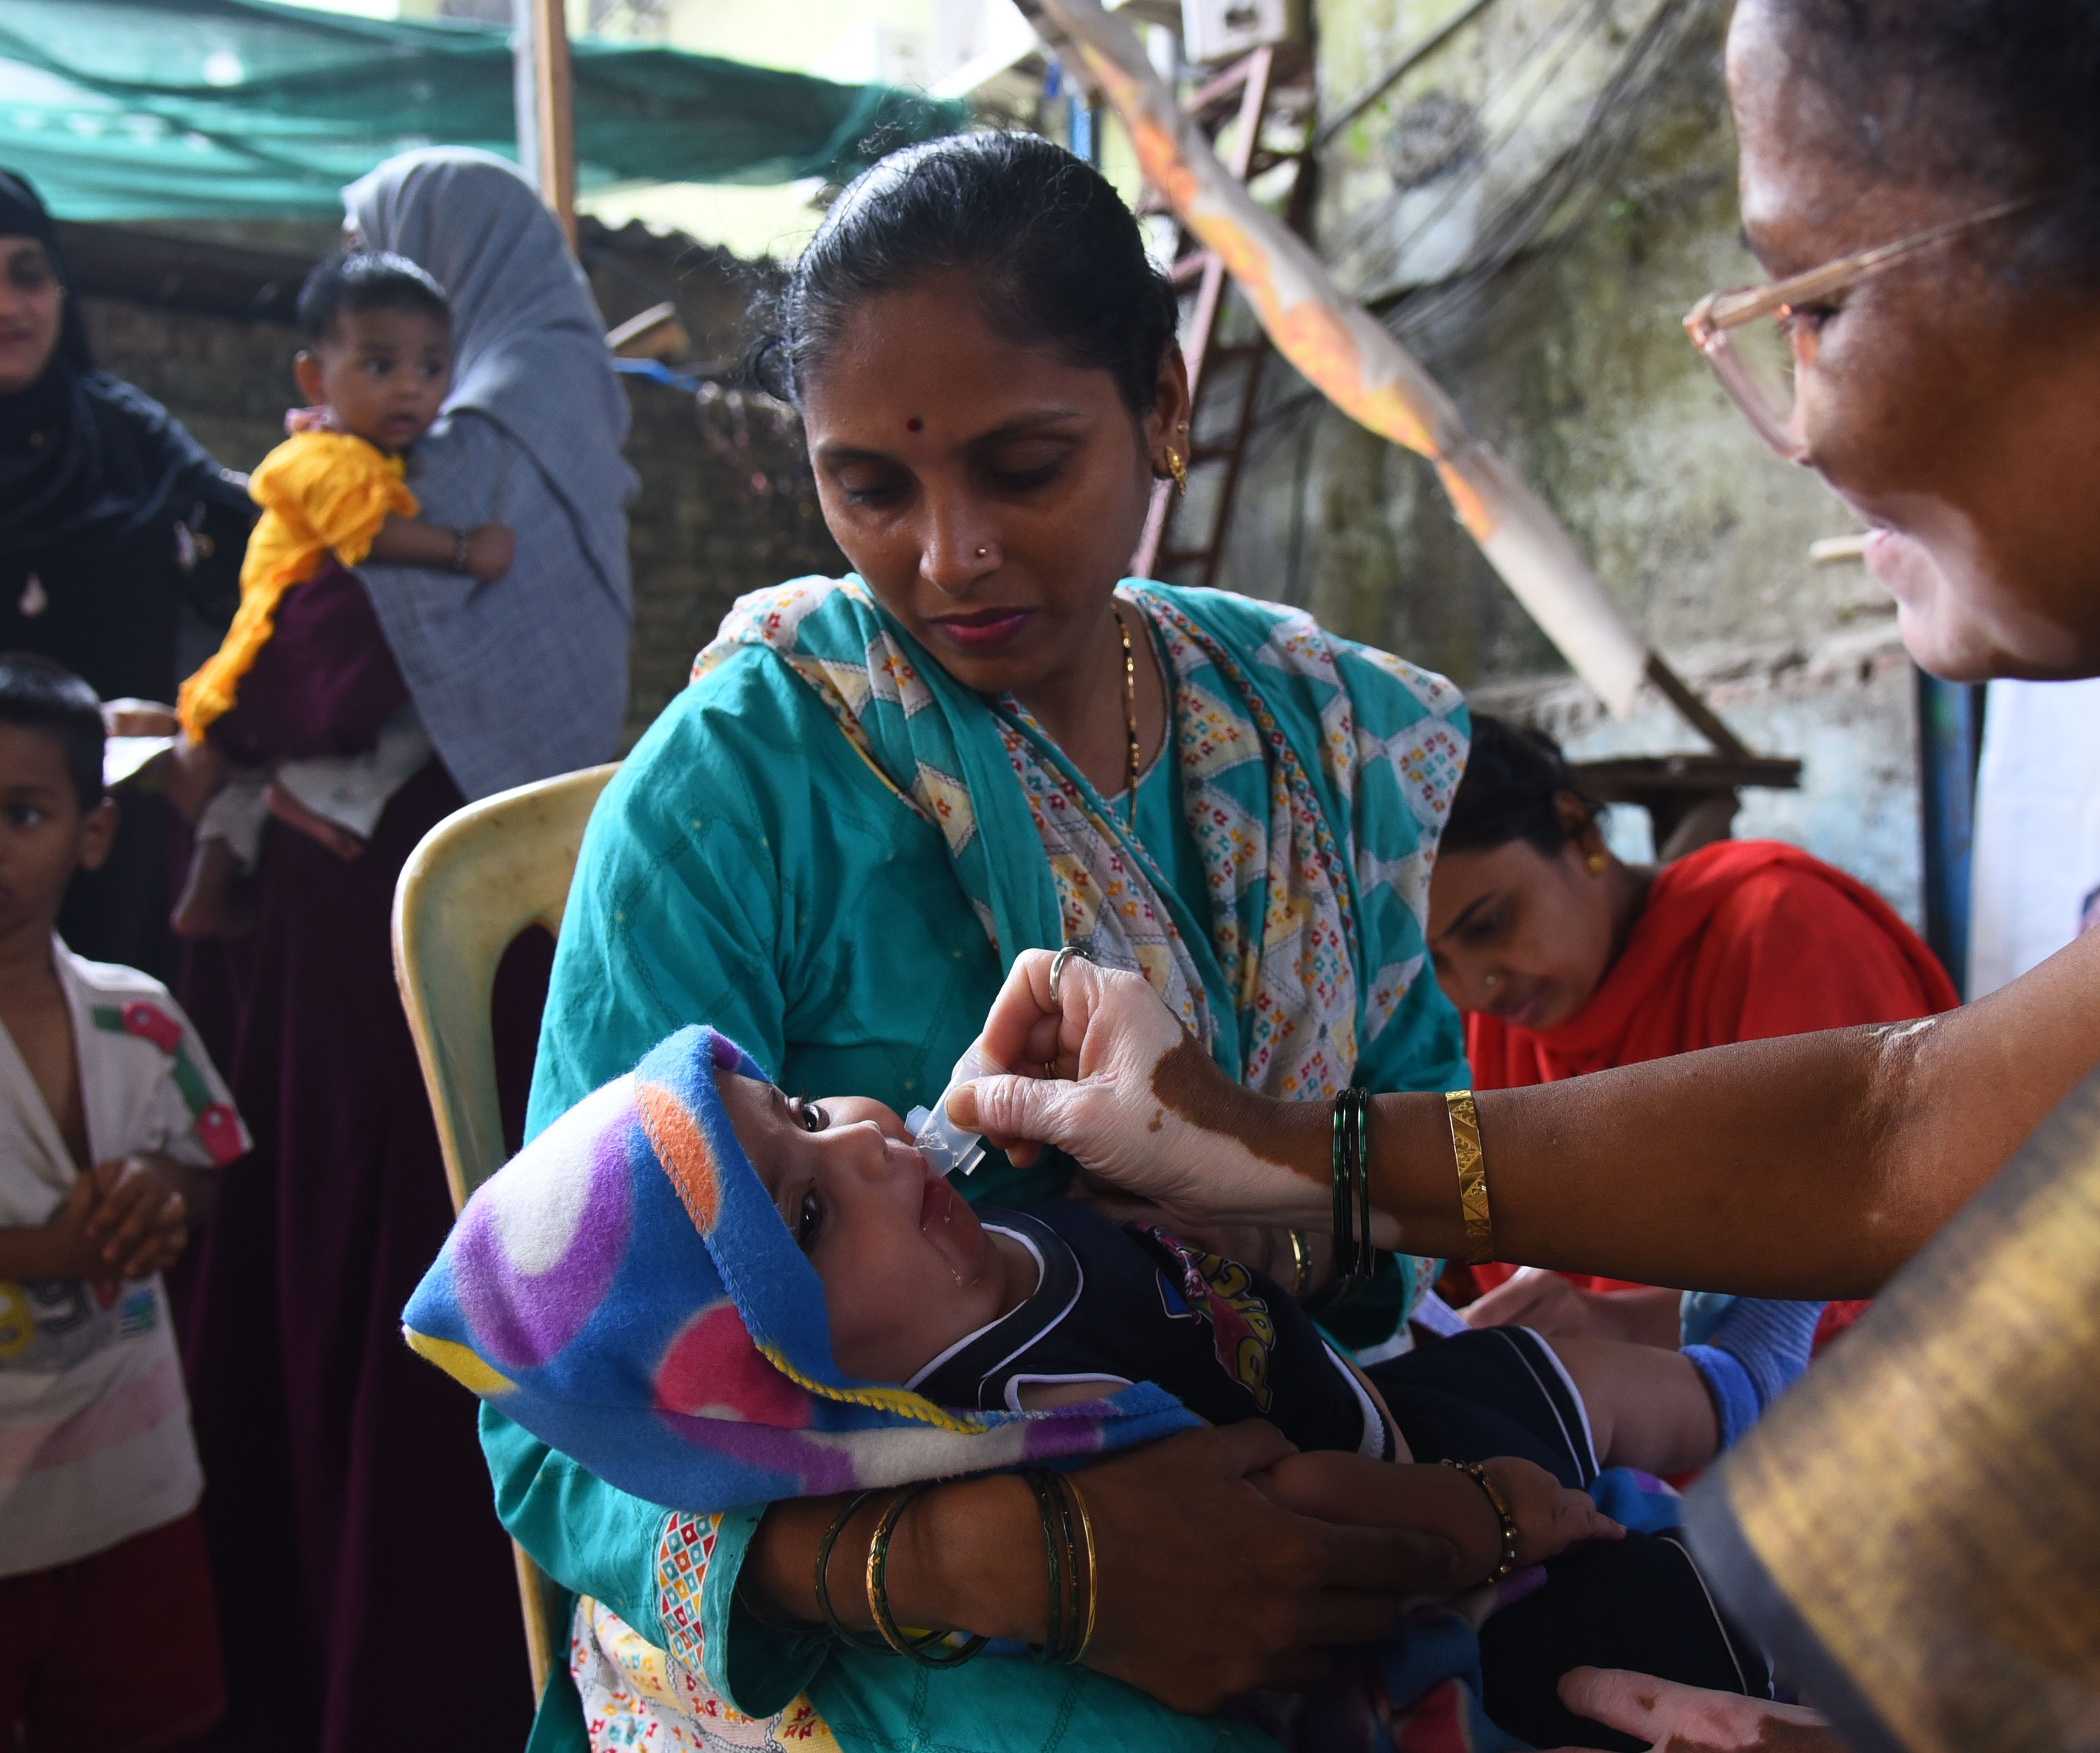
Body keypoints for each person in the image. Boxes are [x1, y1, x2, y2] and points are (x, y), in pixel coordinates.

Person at [941, 2, 2100, 1738]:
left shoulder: (1740, 907)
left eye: (1814, 303)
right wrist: (1277, 1149)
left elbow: (1902, 1155)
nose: (1795, 422)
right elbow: (1898, 1122)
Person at [505, 130, 1491, 1753]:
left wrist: (1239, 1256)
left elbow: (1407, 1216)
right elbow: (554, 1428)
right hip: (878, 1588)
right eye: (870, 488)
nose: (945, 555)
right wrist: (1005, 1556)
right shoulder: (739, 783)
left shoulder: (1311, 738)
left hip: (1291, 1463)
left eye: (1020, 466)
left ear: (1158, 407)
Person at [409, 1028, 1795, 1753]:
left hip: (1373, 1390)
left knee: (1590, 1380)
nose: (875, 1149)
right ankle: (1727, 1532)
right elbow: (1292, 1504)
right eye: (814, 1217)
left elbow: (1163, 1264)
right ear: (783, 1400)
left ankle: (1741, 1390)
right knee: (1626, 1607)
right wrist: (1483, 1520)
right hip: (1413, 1558)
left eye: (813, 1115)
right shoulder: (1006, 1424)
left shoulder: (983, 1237)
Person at [167, 148, 636, 1753]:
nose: (398, 357)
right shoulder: (548, 418)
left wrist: (222, 707)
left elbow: (318, 683)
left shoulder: (468, 444)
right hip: (487, 928)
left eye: (383, 263)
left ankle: (398, 1665)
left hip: (383, 939)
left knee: (389, 1273)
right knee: (464, 1258)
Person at [0, 654, 247, 1753]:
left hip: (128, 1471)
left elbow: (206, 1170)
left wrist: (162, 1194)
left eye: (22, 811)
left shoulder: (142, 1017)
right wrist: (50, 1247)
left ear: (93, 832)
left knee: (140, 1720)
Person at [0, 159, 252, 977]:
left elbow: (270, 594)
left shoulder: (126, 447)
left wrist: (199, 725)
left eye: (30, 276)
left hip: (104, 898)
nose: (6, 305)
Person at [1428, 716, 1955, 1355]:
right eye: (1434, 962)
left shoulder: (1779, 935)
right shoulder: (1477, 1039)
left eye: (1491, 923)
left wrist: (1618, 1327)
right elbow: (1446, 1268)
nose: (1476, 988)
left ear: (1576, 829)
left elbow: (1873, 1263)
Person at [168, 250, 514, 937]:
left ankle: (212, 887)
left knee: (245, 786)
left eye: (431, 368)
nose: (410, 391)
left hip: (280, 656)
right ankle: (268, 839)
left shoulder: (370, 454)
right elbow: (369, 537)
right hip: (267, 643)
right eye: (380, 367)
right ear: (313, 375)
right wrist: (465, 549)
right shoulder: (323, 460)